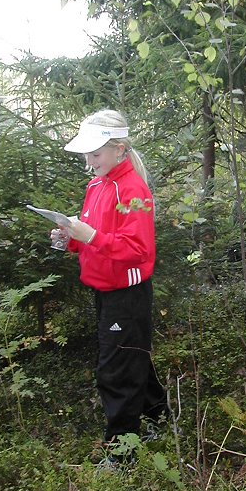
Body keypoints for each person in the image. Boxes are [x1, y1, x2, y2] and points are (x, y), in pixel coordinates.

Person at [51, 109, 167, 445]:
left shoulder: (133, 191)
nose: (89, 162)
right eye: (86, 154)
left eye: (95, 154)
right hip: (104, 290)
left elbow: (138, 249)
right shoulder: (97, 185)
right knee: (131, 356)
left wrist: (89, 236)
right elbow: (94, 235)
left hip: (126, 294)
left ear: (119, 149)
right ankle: (160, 418)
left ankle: (121, 450)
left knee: (115, 371)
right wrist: (70, 238)